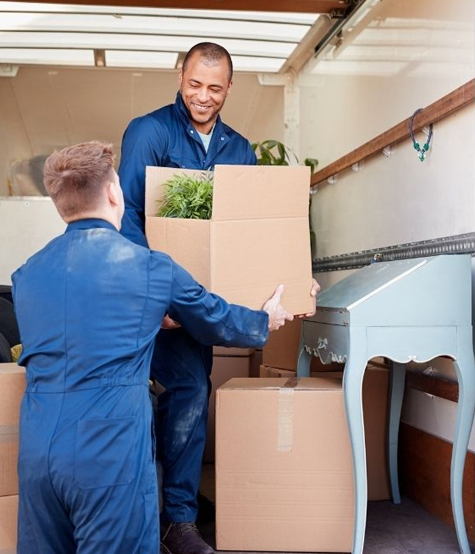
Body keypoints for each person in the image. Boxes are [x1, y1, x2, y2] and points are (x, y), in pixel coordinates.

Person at [12, 141, 293, 554]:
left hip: (37, 448)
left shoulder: (26, 275)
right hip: (108, 448)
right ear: (113, 192)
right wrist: (264, 319)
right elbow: (216, 318)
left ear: (60, 205)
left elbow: (80, 324)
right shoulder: (150, 267)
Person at [118, 42, 319, 554]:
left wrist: (293, 279)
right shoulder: (149, 132)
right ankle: (141, 516)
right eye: (194, 84)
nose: (202, 97)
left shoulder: (240, 150)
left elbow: (248, 233)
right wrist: (155, 298)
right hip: (150, 301)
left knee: (189, 395)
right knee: (132, 401)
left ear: (230, 88)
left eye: (214, 88)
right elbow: (128, 219)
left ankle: (178, 522)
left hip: (202, 304)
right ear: (179, 76)